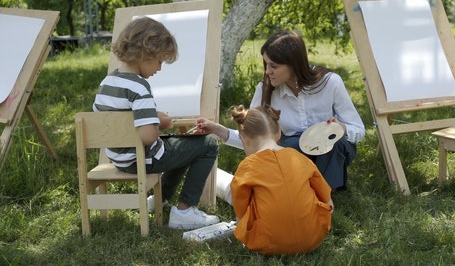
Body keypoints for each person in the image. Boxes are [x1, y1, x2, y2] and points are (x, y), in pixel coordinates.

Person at [92, 16, 220, 230]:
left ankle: (159, 200)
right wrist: (161, 123)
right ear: (145, 53)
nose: (160, 68)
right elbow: (148, 137)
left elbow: (110, 119)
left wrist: (150, 115)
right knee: (207, 144)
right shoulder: (139, 87)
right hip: (141, 159)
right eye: (159, 61)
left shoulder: (107, 82)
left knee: (181, 148)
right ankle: (185, 211)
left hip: (119, 158)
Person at [197, 30, 365, 192]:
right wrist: (218, 130)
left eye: (274, 66)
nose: (267, 71)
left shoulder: (331, 83)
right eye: (266, 64)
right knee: (288, 145)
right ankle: (302, 190)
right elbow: (254, 138)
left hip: (329, 153)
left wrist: (341, 128)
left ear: (293, 64)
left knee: (338, 143)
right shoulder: (265, 90)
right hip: (292, 156)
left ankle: (325, 193)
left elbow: (358, 129)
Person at [224, 104, 333, 255]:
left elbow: (240, 209)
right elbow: (327, 199)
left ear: (244, 139)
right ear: (278, 133)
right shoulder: (298, 157)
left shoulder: (248, 166)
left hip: (268, 243)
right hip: (313, 238)